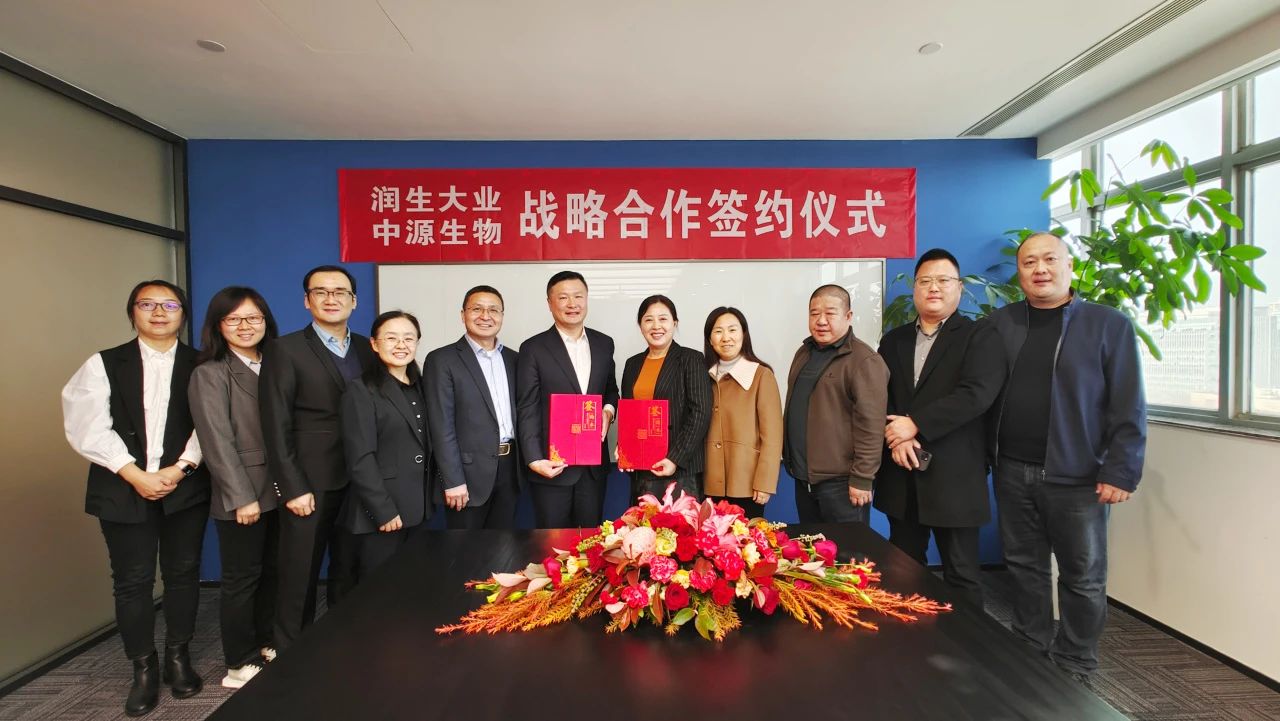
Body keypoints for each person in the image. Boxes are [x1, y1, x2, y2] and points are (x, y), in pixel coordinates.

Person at [987, 232, 1146, 682]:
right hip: (1012, 469)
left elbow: (1129, 403)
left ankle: (1075, 663)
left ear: (1069, 266)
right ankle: (1029, 648)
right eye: (1029, 262)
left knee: (1083, 575)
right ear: (1019, 273)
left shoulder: (1107, 324)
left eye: (1049, 259)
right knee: (1024, 568)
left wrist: (1121, 470)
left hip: (1078, 476)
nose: (1040, 269)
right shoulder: (1001, 324)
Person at [61, 279, 209, 716]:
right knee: (132, 579)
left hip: (186, 485)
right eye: (148, 304)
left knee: (183, 573)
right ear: (133, 312)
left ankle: (178, 657)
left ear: (183, 314)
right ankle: (143, 668)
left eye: (170, 305)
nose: (159, 312)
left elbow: (212, 424)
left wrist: (180, 468)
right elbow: (87, 425)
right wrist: (134, 473)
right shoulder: (104, 363)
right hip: (122, 485)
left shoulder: (203, 364)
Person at [874, 249, 1006, 608]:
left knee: (961, 574)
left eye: (943, 280)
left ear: (959, 287)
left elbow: (976, 394)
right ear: (915, 288)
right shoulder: (894, 340)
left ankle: (966, 641)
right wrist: (897, 437)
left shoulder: (980, 335)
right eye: (925, 281)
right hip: (902, 472)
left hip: (954, 477)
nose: (933, 288)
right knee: (903, 570)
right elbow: (880, 394)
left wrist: (916, 425)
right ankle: (908, 638)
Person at [259, 265, 376, 651]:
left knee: (349, 567)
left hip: (360, 480)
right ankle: (290, 653)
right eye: (321, 292)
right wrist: (291, 486)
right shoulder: (285, 349)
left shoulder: (368, 348)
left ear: (354, 301)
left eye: (340, 292)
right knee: (300, 572)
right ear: (306, 300)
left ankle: (343, 646)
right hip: (310, 482)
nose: (331, 299)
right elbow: (275, 424)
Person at [188, 286, 281, 690]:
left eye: (254, 317)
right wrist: (241, 497)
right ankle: (238, 662)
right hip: (243, 493)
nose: (246, 326)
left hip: (280, 488)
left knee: (273, 572)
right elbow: (216, 442)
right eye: (234, 319)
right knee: (242, 579)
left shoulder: (274, 364)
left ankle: (266, 642)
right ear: (218, 325)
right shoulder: (210, 373)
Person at [516, 271, 619, 528]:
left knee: (591, 541)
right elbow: (527, 406)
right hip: (551, 465)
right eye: (563, 297)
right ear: (550, 303)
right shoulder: (533, 348)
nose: (572, 304)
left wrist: (607, 412)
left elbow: (610, 390)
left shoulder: (604, 344)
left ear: (587, 299)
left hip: (593, 467)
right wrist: (533, 459)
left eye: (578, 296)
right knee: (551, 541)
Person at [783, 284, 888, 523]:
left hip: (843, 484)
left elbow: (872, 425)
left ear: (848, 316)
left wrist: (863, 478)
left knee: (847, 547)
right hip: (804, 479)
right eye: (814, 313)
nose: (821, 321)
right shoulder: (804, 352)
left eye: (830, 313)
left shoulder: (864, 360)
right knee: (811, 545)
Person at [339, 311, 432, 572]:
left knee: (412, 581)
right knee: (380, 587)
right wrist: (383, 510)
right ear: (374, 343)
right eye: (391, 338)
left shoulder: (423, 386)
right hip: (383, 512)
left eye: (408, 338)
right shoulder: (361, 390)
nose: (401, 345)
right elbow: (360, 458)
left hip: (419, 508)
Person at [424, 286, 520, 530]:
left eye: (493, 310)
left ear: (502, 316)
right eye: (477, 309)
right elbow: (440, 425)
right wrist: (452, 480)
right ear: (463, 314)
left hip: (510, 470)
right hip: (466, 475)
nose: (485, 316)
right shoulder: (441, 360)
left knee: (503, 545)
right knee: (465, 548)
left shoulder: (515, 359)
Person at [619, 295, 712, 500]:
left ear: (674, 323)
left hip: (680, 470)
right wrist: (624, 447)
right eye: (648, 319)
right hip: (641, 469)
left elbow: (701, 413)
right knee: (642, 521)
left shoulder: (691, 359)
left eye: (663, 319)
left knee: (679, 521)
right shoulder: (633, 363)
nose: (656, 326)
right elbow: (629, 415)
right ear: (640, 326)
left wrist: (675, 458)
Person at [701, 307, 783, 519]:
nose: (726, 337)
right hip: (708, 482)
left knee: (746, 539)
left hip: (747, 484)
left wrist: (765, 482)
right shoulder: (702, 376)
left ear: (744, 334)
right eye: (718, 331)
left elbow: (772, 436)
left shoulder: (761, 375)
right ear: (710, 339)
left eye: (732, 330)